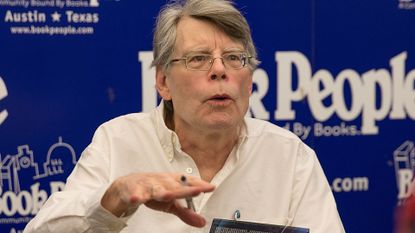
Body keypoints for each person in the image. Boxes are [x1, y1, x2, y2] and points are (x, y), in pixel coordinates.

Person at [24, 0, 345, 232]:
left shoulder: (290, 157)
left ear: (251, 80)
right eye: (198, 58)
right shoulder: (117, 142)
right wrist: (113, 200)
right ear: (163, 82)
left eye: (235, 58)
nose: (220, 70)